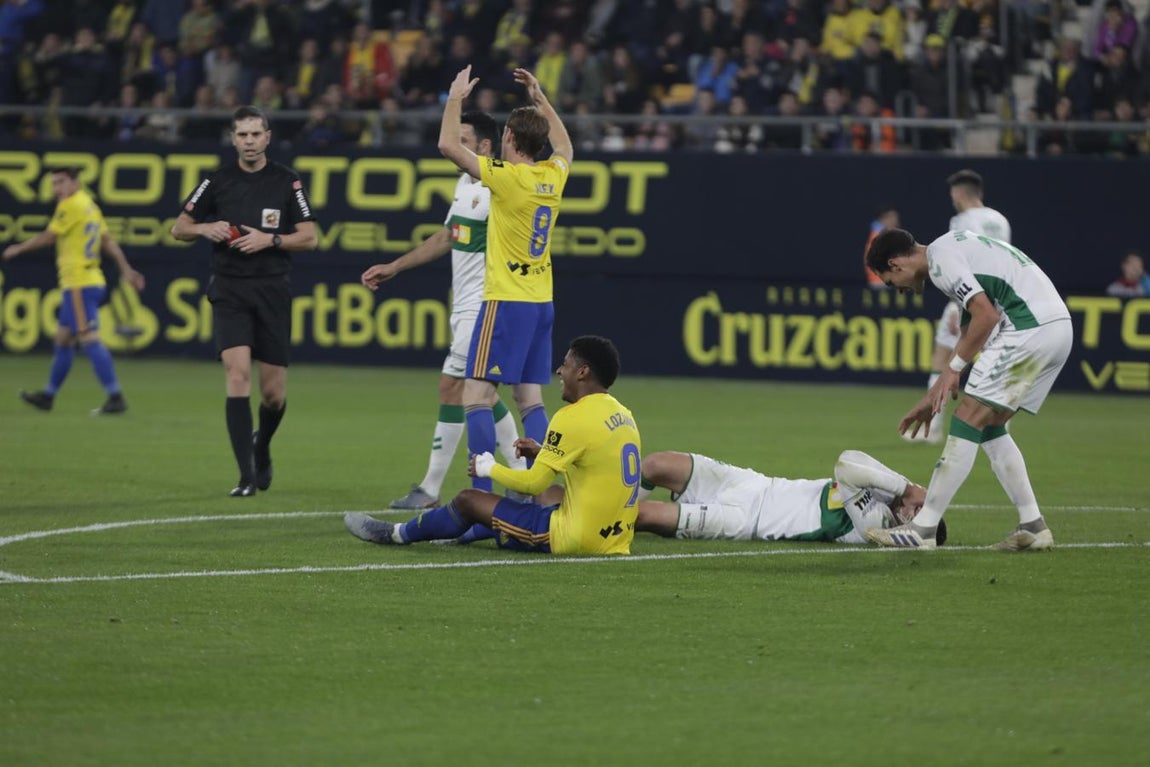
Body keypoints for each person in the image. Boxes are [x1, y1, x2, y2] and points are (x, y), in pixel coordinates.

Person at [864, 228, 1073, 551]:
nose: (900, 290)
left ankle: (923, 528)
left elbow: (986, 317)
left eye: (892, 283)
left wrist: (953, 369)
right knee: (990, 425)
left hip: (1027, 326)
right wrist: (943, 383)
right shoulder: (954, 246)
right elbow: (970, 324)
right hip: (1057, 328)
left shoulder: (940, 261)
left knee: (966, 419)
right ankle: (1033, 525)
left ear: (895, 264)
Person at [360, 111, 527, 510]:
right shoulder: (465, 183)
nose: (455, 146)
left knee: (455, 388)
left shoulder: (499, 186)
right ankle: (522, 477)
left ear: (485, 146)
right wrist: (395, 266)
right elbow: (448, 237)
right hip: (465, 306)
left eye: (463, 139)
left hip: (487, 305)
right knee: (480, 393)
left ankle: (431, 489)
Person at [345, 336, 642, 556]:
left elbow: (532, 482)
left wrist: (489, 467)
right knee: (549, 493)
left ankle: (395, 533)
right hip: (615, 541)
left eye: (566, 364)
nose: (559, 371)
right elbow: (595, 463)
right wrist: (542, 452)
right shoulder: (624, 415)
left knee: (469, 499)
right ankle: (461, 532)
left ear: (583, 372)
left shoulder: (571, 416)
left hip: (572, 540)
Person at [435, 65, 573, 496]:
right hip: (541, 303)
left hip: (506, 302)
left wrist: (454, 97)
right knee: (530, 400)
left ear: (509, 138)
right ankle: (541, 489)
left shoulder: (507, 178)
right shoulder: (552, 176)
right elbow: (565, 146)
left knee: (476, 395)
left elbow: (447, 146)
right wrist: (540, 97)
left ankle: (480, 496)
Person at [170, 105, 318, 497]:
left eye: (255, 134)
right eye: (242, 135)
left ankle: (261, 445)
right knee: (236, 375)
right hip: (230, 289)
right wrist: (205, 228)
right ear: (233, 139)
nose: (249, 141)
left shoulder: (287, 181)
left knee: (273, 394)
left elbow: (310, 237)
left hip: (272, 289)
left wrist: (271, 239)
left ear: (267, 137)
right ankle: (245, 476)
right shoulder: (216, 180)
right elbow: (178, 227)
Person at [3, 167, 146, 414]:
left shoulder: (70, 205)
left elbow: (49, 237)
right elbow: (108, 241)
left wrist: (19, 248)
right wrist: (126, 269)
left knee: (89, 338)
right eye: (53, 183)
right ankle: (48, 396)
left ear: (75, 183)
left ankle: (115, 397)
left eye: (61, 182)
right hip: (88, 281)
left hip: (79, 283)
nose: (56, 189)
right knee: (63, 339)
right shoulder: (89, 205)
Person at [636, 449, 941, 545]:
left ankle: (607, 526)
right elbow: (857, 457)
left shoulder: (874, 524)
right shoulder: (887, 495)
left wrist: (907, 489)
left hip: (744, 521)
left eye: (918, 515)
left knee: (642, 515)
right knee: (655, 464)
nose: (915, 508)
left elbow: (847, 466)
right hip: (752, 484)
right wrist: (905, 487)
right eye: (922, 506)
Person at [907, 169, 1012, 444]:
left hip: (969, 299)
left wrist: (958, 307)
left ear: (958, 194)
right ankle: (999, 425)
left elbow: (961, 263)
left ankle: (933, 427)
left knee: (943, 359)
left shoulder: (961, 221)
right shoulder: (1000, 220)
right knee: (993, 363)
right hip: (1000, 300)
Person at [864, 205, 899, 289]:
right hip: (881, 284)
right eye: (892, 218)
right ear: (884, 219)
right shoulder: (879, 237)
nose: (895, 221)